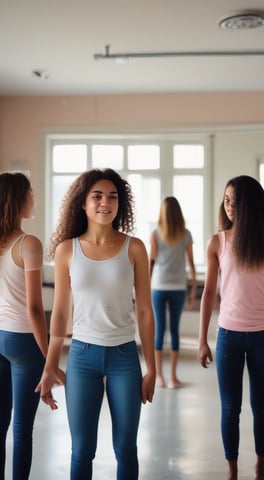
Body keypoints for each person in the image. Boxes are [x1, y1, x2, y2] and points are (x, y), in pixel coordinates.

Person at [36, 168, 156, 480]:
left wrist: (152, 368)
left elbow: (145, 310)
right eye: (97, 196)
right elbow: (60, 314)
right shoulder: (67, 250)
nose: (106, 202)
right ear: (83, 203)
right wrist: (50, 366)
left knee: (126, 448)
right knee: (82, 450)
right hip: (82, 357)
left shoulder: (135, 248)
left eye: (113, 196)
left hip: (125, 358)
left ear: (121, 204)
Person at [198, 175, 264, 480]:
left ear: (251, 205)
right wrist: (202, 340)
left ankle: (260, 468)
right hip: (228, 338)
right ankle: (232, 471)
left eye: (236, 201)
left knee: (261, 406)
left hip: (263, 336)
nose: (230, 206)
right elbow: (209, 294)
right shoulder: (218, 242)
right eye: (226, 200)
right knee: (230, 409)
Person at [0, 171, 51, 480]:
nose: (35, 197)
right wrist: (48, 356)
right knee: (22, 427)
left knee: (0, 423)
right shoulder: (28, 243)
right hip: (22, 341)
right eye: (31, 192)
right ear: (18, 198)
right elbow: (34, 308)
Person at [150, 196, 196, 389]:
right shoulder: (186, 234)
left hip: (158, 286)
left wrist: (144, 286)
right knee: (174, 331)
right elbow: (191, 264)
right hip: (178, 287)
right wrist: (193, 287)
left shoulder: (155, 234)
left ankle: (159, 377)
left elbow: (150, 263)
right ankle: (172, 378)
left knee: (160, 330)